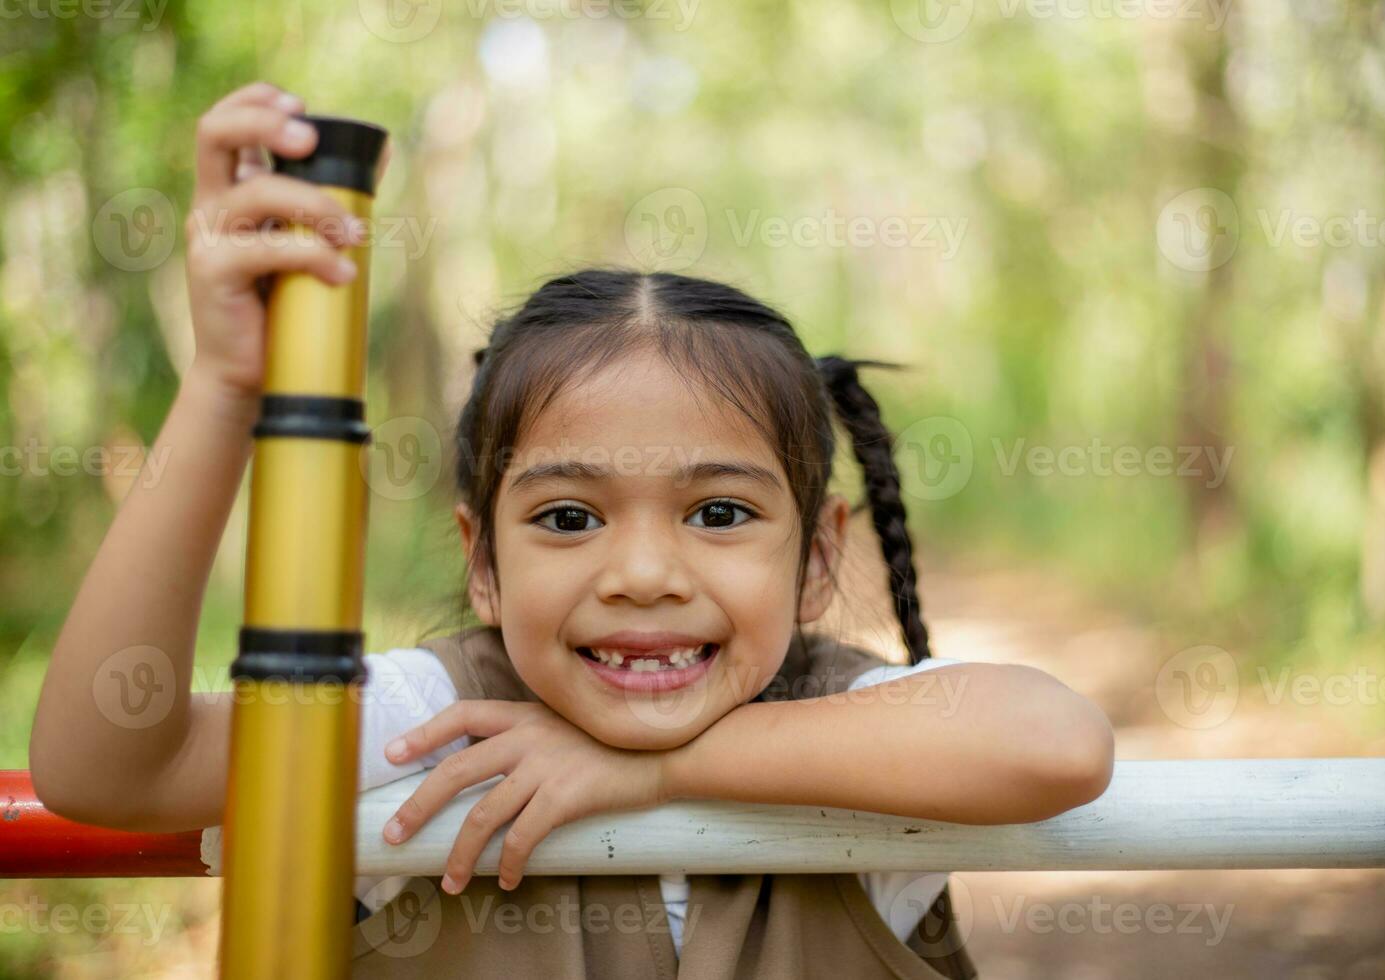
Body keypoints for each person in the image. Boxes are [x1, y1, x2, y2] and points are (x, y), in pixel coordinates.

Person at [29, 81, 1115, 978]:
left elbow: (1056, 741)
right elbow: (105, 763)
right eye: (566, 515)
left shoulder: (849, 726)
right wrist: (225, 386)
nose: (642, 571)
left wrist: (657, 773)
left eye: (721, 512)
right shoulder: (435, 725)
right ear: (482, 563)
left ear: (819, 557)